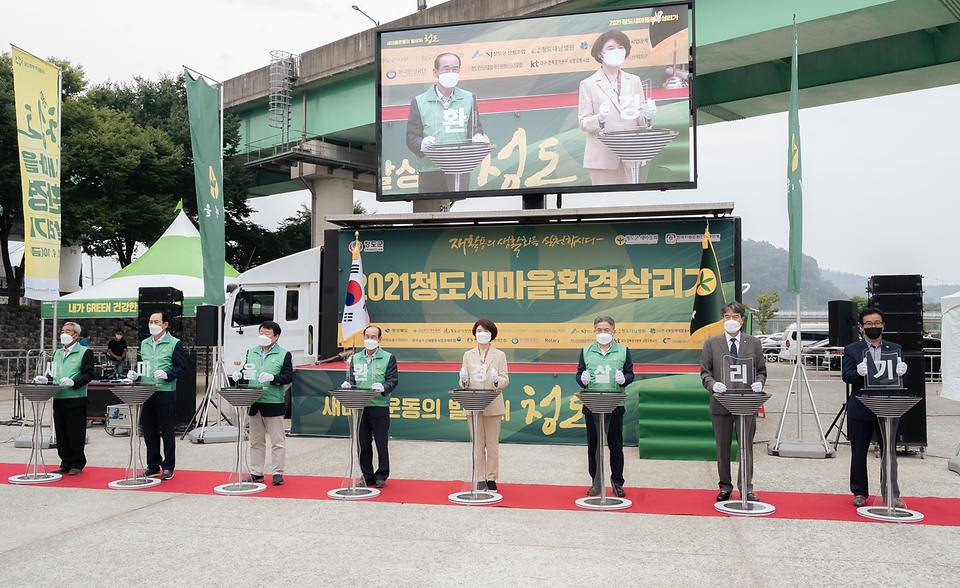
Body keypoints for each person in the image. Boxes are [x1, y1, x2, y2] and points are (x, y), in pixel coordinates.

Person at [699, 301, 767, 502]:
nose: (731, 321)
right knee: (723, 448)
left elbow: (761, 370)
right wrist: (713, 385)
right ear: (722, 319)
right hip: (721, 403)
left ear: (742, 319)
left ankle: (746, 487)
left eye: (735, 317)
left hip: (746, 404)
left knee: (746, 446)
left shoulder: (753, 343)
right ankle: (725, 487)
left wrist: (759, 383)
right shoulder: (711, 343)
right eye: (727, 317)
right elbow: (705, 372)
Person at [842, 307, 909, 508]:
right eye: (869, 324)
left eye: (877, 323)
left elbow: (904, 378)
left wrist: (903, 372)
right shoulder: (852, 349)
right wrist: (858, 373)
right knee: (859, 452)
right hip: (862, 406)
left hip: (889, 406)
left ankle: (891, 493)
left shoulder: (895, 348)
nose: (874, 327)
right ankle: (859, 492)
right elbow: (846, 376)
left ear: (883, 325)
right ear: (861, 327)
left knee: (889, 452)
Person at [577, 29, 658, 185]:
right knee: (604, 205)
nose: (617, 51)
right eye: (611, 48)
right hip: (603, 158)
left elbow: (638, 117)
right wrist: (599, 119)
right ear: (600, 53)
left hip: (630, 157)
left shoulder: (634, 80)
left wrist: (647, 116)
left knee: (630, 203)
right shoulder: (589, 83)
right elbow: (583, 122)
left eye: (621, 47)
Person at [405, 52, 485, 193]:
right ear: (436, 72)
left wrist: (477, 137)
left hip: (459, 169)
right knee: (430, 212)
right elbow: (411, 137)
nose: (451, 73)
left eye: (455, 69)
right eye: (446, 69)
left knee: (459, 212)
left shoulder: (468, 98)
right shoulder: (419, 101)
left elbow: (475, 128)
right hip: (430, 170)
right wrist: (422, 144)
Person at [575, 315, 634, 497]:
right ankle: (596, 482)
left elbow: (630, 373)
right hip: (592, 404)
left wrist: (624, 380)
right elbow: (579, 375)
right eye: (599, 330)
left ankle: (617, 482)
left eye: (606, 330)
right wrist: (582, 381)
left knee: (615, 446)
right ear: (594, 331)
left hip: (615, 404)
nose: (603, 333)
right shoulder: (586, 351)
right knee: (594, 446)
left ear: (614, 331)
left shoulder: (623, 350)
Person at [231, 321, 294, 486]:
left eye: (267, 333)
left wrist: (273, 378)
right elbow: (248, 371)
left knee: (277, 441)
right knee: (256, 440)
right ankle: (256, 472)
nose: (263, 336)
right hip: (254, 401)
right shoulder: (251, 352)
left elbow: (288, 376)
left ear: (276, 336)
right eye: (261, 333)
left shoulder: (284, 354)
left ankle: (277, 473)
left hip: (273, 401)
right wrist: (240, 375)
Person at [126, 311, 187, 480]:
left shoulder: (174, 343)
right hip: (146, 392)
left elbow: (181, 367)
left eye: (156, 321)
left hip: (164, 392)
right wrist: (135, 374)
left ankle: (168, 466)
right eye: (150, 321)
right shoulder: (144, 343)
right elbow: (140, 365)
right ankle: (152, 465)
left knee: (167, 431)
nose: (152, 324)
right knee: (149, 430)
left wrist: (167, 374)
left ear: (165, 324)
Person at [341, 325, 398, 488]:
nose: (369, 339)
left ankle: (381, 475)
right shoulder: (356, 358)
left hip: (379, 405)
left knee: (381, 443)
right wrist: (348, 385)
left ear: (379, 339)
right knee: (363, 444)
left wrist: (384, 387)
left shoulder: (388, 357)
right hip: (360, 406)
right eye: (367, 336)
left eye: (373, 337)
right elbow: (352, 379)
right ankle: (367, 475)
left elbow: (393, 380)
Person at [33, 321, 94, 475]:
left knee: (75, 433)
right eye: (62, 331)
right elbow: (53, 372)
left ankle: (77, 463)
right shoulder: (58, 353)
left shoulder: (85, 352)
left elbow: (89, 374)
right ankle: (65, 461)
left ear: (76, 335)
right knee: (61, 433)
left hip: (75, 397)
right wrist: (46, 380)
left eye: (68, 331)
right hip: (59, 397)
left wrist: (74, 382)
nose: (63, 334)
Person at [458, 318, 510, 491]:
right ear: (474, 333)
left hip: (493, 404)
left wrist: (497, 381)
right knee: (477, 443)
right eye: (479, 330)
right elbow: (464, 380)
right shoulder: (468, 355)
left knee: (492, 444)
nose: (482, 334)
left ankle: (491, 477)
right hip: (473, 404)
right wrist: (463, 380)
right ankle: (480, 477)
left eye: (486, 331)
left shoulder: (499, 355)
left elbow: (505, 378)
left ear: (492, 334)